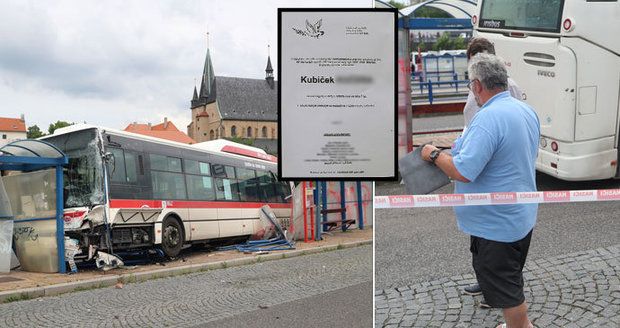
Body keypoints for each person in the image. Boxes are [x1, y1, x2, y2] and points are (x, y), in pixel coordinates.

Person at [422, 53, 540, 328]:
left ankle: (521, 327)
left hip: (496, 223)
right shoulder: (524, 109)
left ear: (477, 85)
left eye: (469, 87)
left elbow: (463, 170)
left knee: (507, 289)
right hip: (519, 215)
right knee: (510, 278)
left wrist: (433, 154)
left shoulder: (488, 118)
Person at [460, 37, 525, 306]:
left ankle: (498, 292)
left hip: (491, 172)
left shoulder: (505, 93)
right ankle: (488, 283)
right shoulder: (477, 92)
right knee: (481, 240)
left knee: (496, 243)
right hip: (482, 171)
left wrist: (437, 155)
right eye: (474, 58)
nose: (477, 63)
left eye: (482, 57)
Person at [463, 37, 523, 129]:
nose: (475, 67)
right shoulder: (474, 87)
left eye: (481, 62)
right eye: (472, 63)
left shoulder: (511, 86)